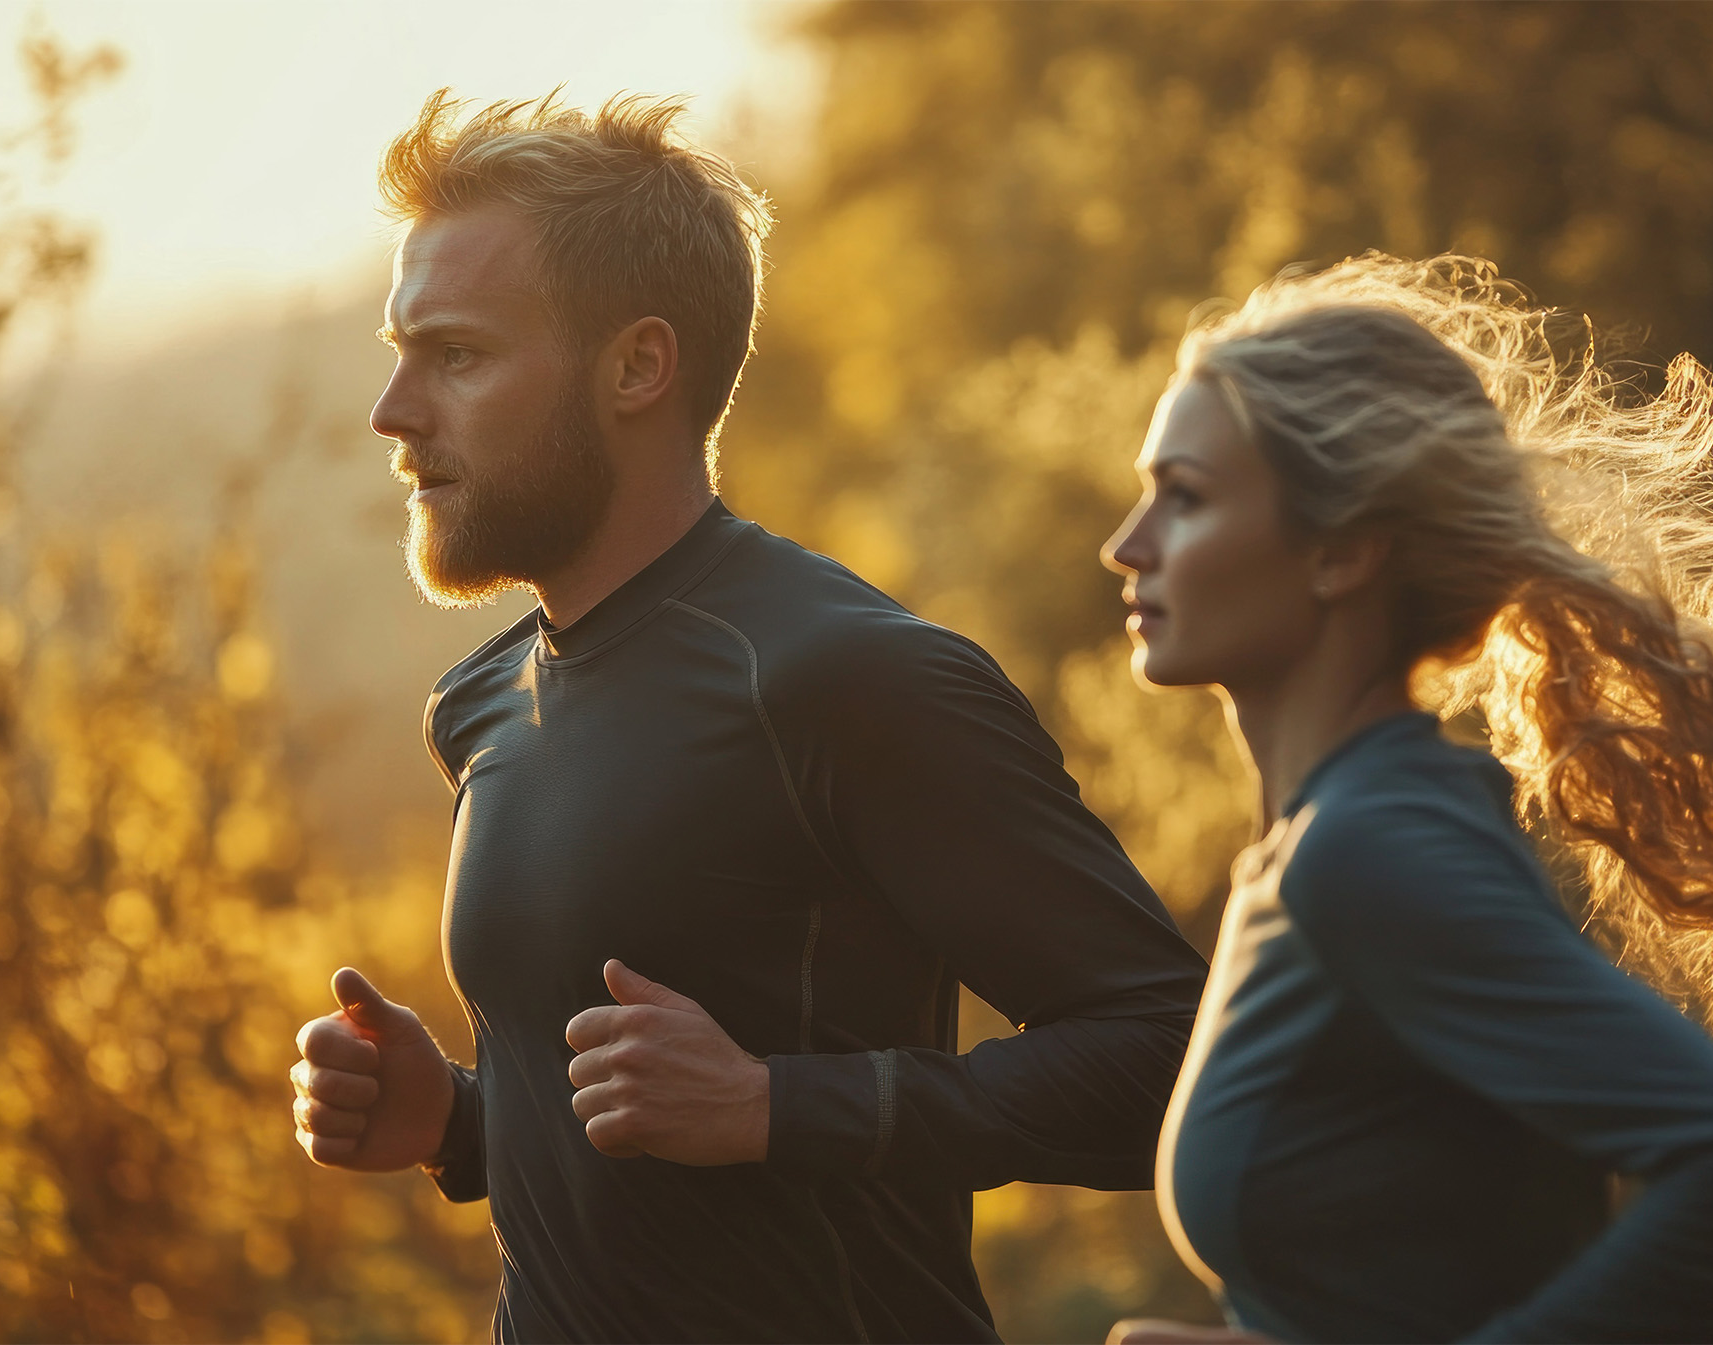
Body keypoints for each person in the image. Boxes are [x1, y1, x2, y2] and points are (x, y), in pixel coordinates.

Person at [283, 91, 1208, 1344]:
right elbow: (655, 1143)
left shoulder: (848, 677)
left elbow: (1172, 1065)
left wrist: (778, 1104)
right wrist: (455, 1120)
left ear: (637, 367)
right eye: (401, 352)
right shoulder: (484, 700)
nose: (393, 414)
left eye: (456, 356)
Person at [1100, 256, 1713, 1344]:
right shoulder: (1329, 839)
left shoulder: (1372, 847)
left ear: (1343, 550)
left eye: (1187, 498)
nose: (1127, 546)